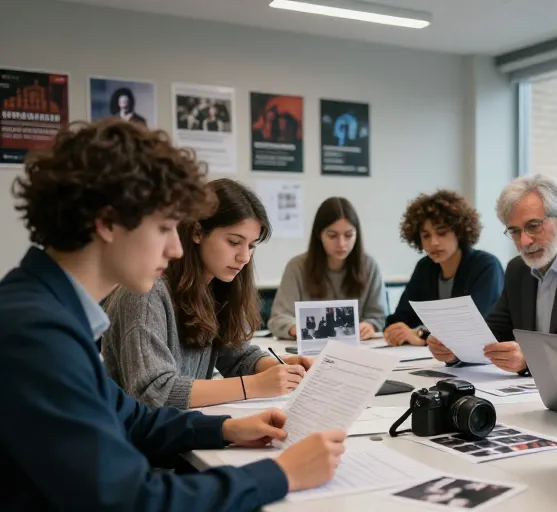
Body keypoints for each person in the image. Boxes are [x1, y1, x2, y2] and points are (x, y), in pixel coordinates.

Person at [0, 119, 346, 510]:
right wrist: (281, 474)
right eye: (165, 227)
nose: (175, 248)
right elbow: (130, 501)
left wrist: (227, 428)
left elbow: (131, 417)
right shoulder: (36, 332)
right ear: (108, 222)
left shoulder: (47, 310)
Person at [102, 178, 313, 409]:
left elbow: (237, 355)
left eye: (252, 246)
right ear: (197, 233)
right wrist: (254, 385)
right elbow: (155, 392)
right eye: (234, 242)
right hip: (139, 440)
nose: (244, 257)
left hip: (184, 430)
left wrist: (278, 366)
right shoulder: (145, 293)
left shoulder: (217, 285)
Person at [427, 174, 557, 373]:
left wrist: (529, 359)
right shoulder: (518, 269)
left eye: (533, 226)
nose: (524, 241)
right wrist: (456, 349)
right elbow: (494, 333)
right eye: (515, 231)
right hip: (534, 390)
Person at [384, 190, 504, 346]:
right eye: (426, 235)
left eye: (442, 233)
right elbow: (402, 317)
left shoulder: (486, 266)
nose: (434, 242)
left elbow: (471, 327)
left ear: (459, 232)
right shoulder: (425, 267)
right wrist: (395, 329)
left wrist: (421, 334)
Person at [269, 197, 388, 340]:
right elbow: (278, 319)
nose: (341, 244)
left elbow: (378, 316)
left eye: (349, 235)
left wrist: (370, 325)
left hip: (357, 348)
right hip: (309, 348)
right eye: (332, 235)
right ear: (319, 235)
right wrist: (299, 329)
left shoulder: (370, 266)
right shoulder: (297, 267)